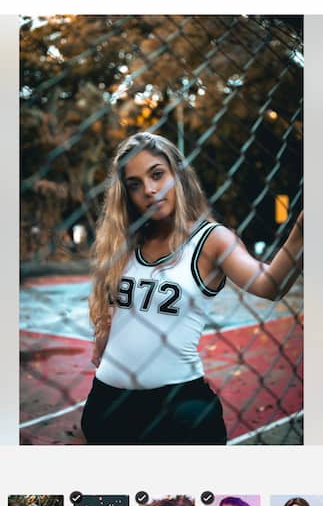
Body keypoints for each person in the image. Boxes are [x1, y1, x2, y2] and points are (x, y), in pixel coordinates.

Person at [81, 131, 303, 445]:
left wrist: (301, 232)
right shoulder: (125, 242)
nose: (149, 189)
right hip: (107, 402)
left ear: (178, 175)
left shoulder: (210, 239)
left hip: (178, 408)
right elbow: (116, 303)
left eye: (157, 174)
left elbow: (269, 285)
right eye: (135, 183)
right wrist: (104, 326)